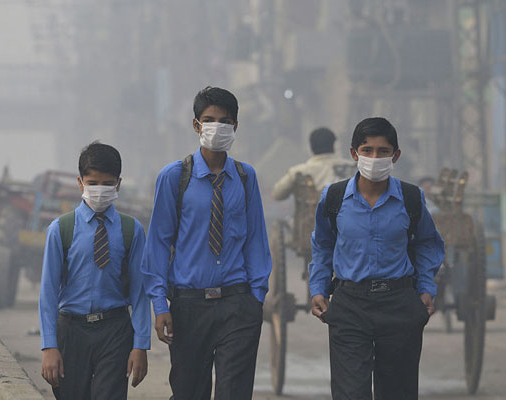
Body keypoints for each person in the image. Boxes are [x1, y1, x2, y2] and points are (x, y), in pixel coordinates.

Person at [142, 86, 271, 399]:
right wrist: (160, 304)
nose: (217, 127)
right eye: (209, 120)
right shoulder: (175, 177)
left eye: (225, 121)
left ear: (236, 127)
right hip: (189, 304)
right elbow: (158, 243)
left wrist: (256, 295)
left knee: (234, 392)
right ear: (196, 125)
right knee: (188, 392)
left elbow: (256, 238)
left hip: (238, 302)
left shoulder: (245, 177)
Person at [309, 117, 445, 399]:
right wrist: (319, 288)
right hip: (349, 307)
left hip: (399, 306)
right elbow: (323, 245)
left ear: (395, 156)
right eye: (367, 150)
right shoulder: (333, 198)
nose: (374, 157)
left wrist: (426, 288)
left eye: (383, 151)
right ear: (353, 154)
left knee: (398, 392)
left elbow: (428, 244)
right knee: (350, 393)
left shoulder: (411, 198)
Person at [38, 142, 150, 399]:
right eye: (93, 183)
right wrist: (49, 346)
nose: (100, 190)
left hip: (114, 329)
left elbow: (140, 292)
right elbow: (47, 293)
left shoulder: (131, 230)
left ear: (118, 184)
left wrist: (140, 345)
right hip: (72, 330)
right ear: (80, 183)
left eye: (107, 184)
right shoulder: (60, 229)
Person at [272, 127, 356, 200]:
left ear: (311, 147)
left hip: (309, 218)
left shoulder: (297, 172)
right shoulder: (352, 168)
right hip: (344, 218)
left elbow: (278, 194)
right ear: (334, 144)